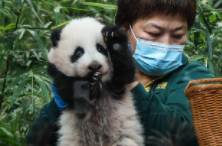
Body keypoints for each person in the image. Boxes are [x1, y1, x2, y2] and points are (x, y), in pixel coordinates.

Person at [27, 0, 215, 146]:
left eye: (177, 35)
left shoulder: (195, 77)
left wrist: (125, 80)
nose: (165, 43)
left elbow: (180, 135)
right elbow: (37, 140)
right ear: (125, 29)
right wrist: (60, 105)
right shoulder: (96, 71)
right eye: (154, 33)